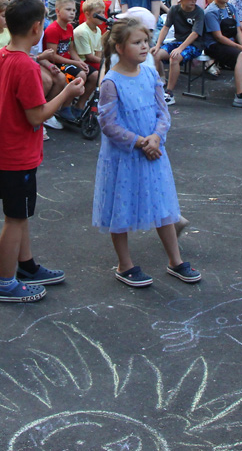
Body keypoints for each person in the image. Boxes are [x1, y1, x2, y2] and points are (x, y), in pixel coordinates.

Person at [0, 0, 85, 303]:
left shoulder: (3, 55)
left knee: (20, 213)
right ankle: (5, 282)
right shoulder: (25, 66)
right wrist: (66, 93)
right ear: (37, 28)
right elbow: (36, 116)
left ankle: (26, 266)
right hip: (16, 155)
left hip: (2, 149)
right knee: (14, 219)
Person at [94, 16, 198, 288]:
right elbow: (108, 124)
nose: (144, 47)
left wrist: (156, 137)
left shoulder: (150, 73)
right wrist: (141, 141)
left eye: (146, 42)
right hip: (125, 156)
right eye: (136, 42)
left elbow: (162, 112)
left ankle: (175, 260)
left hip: (154, 152)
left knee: (163, 204)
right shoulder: (111, 82)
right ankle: (125, 264)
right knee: (121, 207)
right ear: (119, 47)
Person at [152, 0, 204, 105]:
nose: (193, 1)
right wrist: (158, 45)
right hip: (178, 41)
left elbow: (195, 34)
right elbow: (165, 28)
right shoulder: (174, 10)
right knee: (155, 54)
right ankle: (157, 84)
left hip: (194, 45)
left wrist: (180, 49)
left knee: (174, 58)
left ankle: (169, 93)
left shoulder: (199, 12)